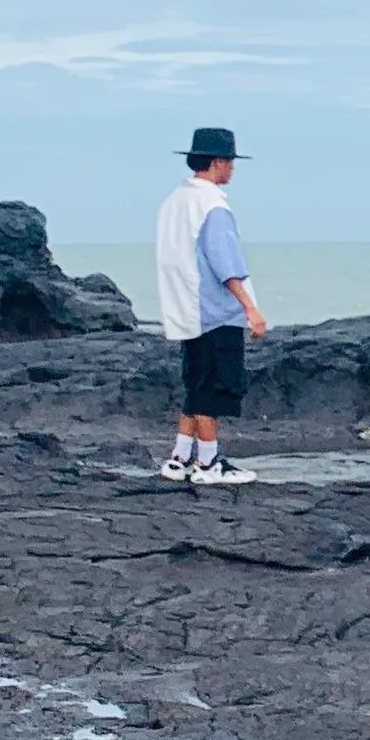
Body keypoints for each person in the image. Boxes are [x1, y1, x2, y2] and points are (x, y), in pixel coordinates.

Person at [152, 126, 267, 486]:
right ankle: (207, 463)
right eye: (230, 161)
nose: (232, 169)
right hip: (214, 312)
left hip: (184, 308)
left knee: (195, 382)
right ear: (217, 162)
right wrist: (250, 308)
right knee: (213, 389)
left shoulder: (175, 201)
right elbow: (226, 264)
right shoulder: (212, 205)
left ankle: (179, 458)